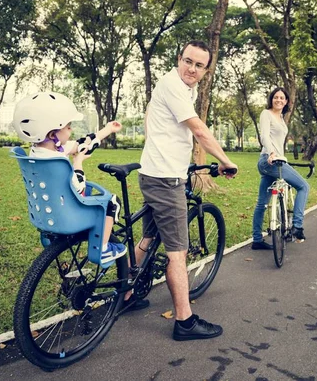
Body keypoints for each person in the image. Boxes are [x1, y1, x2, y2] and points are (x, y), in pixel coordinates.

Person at [136, 40, 238, 341]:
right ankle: (184, 320)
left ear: (205, 70)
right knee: (177, 254)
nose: (191, 69)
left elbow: (161, 124)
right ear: (179, 59)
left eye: (198, 65)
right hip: (166, 181)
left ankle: (127, 295)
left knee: (148, 237)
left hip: (157, 173)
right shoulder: (174, 86)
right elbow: (199, 131)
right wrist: (226, 161)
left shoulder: (181, 88)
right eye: (188, 61)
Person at [12, 92, 126, 266]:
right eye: (68, 126)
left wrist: (107, 130)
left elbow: (82, 145)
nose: (71, 129)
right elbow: (79, 186)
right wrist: (78, 162)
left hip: (46, 212)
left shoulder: (39, 153)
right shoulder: (58, 162)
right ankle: (103, 249)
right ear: (52, 134)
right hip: (70, 214)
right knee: (112, 202)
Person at [251, 87, 310, 250]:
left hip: (278, 161)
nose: (278, 100)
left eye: (282, 98)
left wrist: (282, 157)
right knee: (304, 186)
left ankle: (256, 240)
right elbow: (264, 136)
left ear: (286, 102)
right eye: (276, 97)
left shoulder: (282, 118)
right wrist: (271, 153)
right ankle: (297, 226)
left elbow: (278, 142)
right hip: (268, 160)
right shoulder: (266, 114)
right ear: (271, 99)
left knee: (262, 203)